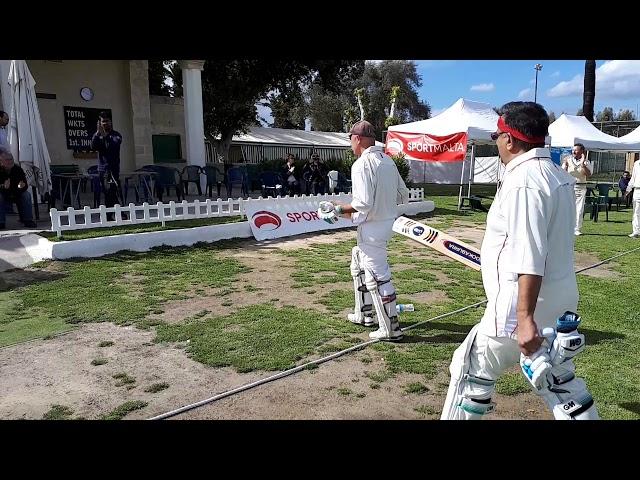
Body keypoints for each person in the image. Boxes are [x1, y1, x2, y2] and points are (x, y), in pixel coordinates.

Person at [441, 102, 599, 420]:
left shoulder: (524, 179)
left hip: (519, 308)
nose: (496, 141)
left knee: (469, 369)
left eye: (498, 135)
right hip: (559, 301)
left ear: (510, 139)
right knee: (561, 383)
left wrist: (524, 318)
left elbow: (529, 253)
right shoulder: (558, 174)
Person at [320, 120, 409, 341]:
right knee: (358, 260)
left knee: (379, 275)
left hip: (371, 227)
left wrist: (337, 209)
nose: (350, 144)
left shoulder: (361, 164)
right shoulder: (388, 161)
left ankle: (390, 329)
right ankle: (364, 313)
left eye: (350, 139)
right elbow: (402, 195)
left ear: (357, 138)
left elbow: (363, 204)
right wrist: (383, 204)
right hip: (386, 222)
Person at [91, 111, 123, 220]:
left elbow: (115, 145)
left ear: (111, 122)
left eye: (107, 121)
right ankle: (119, 214)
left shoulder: (116, 135)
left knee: (112, 191)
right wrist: (97, 134)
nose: (105, 124)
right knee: (108, 192)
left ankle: (109, 216)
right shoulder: (98, 136)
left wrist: (105, 136)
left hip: (113, 169)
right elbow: (93, 146)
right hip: (103, 170)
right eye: (103, 122)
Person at [0, 146, 37, 230]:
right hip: (3, 194)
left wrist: (20, 187)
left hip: (16, 192)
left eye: (11, 159)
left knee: (26, 195)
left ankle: (28, 220)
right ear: (1, 162)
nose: (10, 161)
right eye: (7, 160)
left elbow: (24, 184)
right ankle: (1, 222)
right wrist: (3, 186)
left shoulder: (18, 169)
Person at [561, 143, 593, 235]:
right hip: (569, 186)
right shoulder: (568, 160)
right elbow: (563, 173)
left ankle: (577, 228)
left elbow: (588, 174)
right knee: (568, 207)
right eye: (573, 150)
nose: (573, 152)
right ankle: (567, 226)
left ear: (582, 151)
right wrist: (566, 165)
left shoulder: (586, 162)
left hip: (581, 186)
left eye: (576, 150)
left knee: (579, 208)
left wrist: (583, 164)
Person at [626, 158, 640, 238]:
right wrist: (628, 189)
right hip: (637, 189)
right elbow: (633, 177)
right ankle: (636, 231)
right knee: (636, 211)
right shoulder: (636, 163)